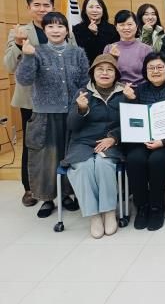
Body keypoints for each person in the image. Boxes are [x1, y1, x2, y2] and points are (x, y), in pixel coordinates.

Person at [15, 12, 89, 218]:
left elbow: (84, 82)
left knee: (68, 155)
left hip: (72, 113)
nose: (55, 30)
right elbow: (24, 79)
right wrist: (28, 56)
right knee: (45, 158)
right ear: (44, 29)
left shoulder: (78, 53)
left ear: (67, 30)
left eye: (60, 26)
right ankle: (47, 198)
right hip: (45, 114)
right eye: (50, 26)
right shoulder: (36, 51)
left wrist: (80, 103)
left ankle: (66, 195)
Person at [4, 0, 64, 207]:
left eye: (46, 5)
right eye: (37, 5)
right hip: (32, 99)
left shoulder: (62, 28)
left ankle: (60, 187)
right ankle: (29, 188)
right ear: (29, 8)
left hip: (59, 99)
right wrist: (20, 44)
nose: (42, 9)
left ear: (53, 7)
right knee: (34, 144)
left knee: (59, 142)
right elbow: (9, 65)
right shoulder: (20, 32)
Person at [123, 52, 165, 231]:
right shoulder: (139, 90)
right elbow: (133, 119)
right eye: (151, 68)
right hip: (141, 140)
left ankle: (157, 208)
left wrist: (163, 141)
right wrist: (130, 100)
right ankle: (142, 207)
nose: (155, 71)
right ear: (145, 71)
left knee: (157, 160)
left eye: (159, 67)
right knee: (135, 159)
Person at [64, 54, 124, 239]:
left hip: (110, 141)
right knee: (84, 167)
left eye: (109, 70)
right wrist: (81, 109)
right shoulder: (83, 93)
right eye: (100, 69)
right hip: (82, 142)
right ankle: (94, 215)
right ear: (92, 73)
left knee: (103, 164)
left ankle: (109, 211)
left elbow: (131, 123)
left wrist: (114, 138)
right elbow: (71, 126)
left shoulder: (124, 93)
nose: (105, 73)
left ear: (116, 74)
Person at [103, 10, 152, 86]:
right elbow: (105, 74)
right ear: (116, 27)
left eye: (130, 24)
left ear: (136, 26)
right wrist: (112, 59)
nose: (126, 28)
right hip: (116, 89)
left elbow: (151, 75)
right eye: (122, 25)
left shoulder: (146, 49)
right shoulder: (109, 48)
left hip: (141, 89)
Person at [73, 0, 119, 64]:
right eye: (91, 7)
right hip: (84, 67)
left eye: (98, 7)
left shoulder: (112, 29)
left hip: (106, 65)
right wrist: (91, 34)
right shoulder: (77, 29)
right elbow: (81, 51)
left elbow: (109, 51)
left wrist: (96, 34)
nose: (94, 10)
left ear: (103, 11)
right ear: (85, 10)